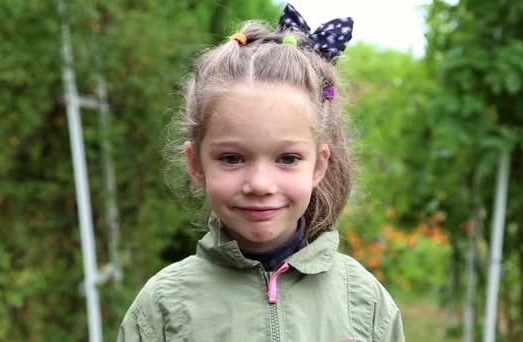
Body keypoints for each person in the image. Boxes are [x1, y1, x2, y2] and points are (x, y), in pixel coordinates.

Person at [118, 3, 404, 341]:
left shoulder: (364, 303)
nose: (260, 184)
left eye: (287, 159)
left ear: (319, 165)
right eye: (232, 158)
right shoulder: (163, 307)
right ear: (196, 164)